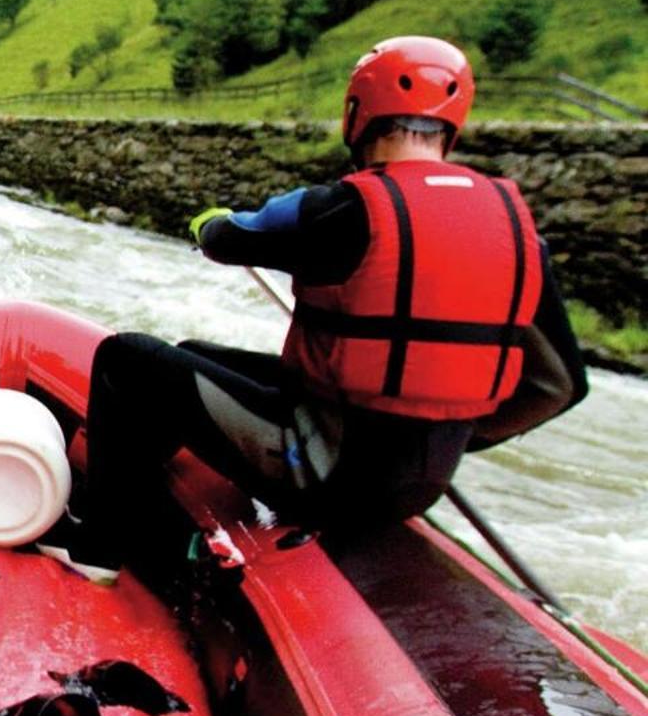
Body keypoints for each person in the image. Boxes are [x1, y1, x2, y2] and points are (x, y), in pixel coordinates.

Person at [77, 36, 587, 572]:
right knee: (193, 353)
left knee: (126, 360)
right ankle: (161, 499)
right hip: (421, 486)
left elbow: (228, 238)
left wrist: (207, 223)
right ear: (452, 127)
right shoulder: (517, 230)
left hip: (322, 477)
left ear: (356, 114)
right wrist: (455, 431)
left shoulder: (342, 208)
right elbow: (560, 385)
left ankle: (108, 541)